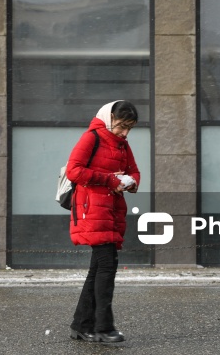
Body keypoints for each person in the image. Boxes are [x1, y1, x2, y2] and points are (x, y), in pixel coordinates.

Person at [66, 100, 141, 343]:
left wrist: (131, 183)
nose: (125, 132)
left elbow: (134, 170)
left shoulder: (122, 145)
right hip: (91, 210)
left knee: (98, 269)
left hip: (111, 210)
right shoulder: (92, 137)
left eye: (129, 128)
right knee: (107, 266)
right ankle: (103, 327)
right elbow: (74, 171)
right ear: (109, 120)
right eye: (121, 126)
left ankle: (81, 324)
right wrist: (110, 180)